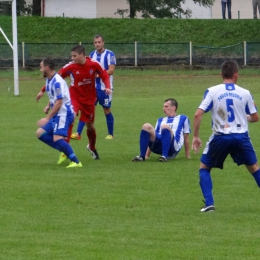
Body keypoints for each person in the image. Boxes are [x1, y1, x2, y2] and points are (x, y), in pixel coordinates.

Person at [192, 60, 260, 213]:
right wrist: (243, 117)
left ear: (221, 74)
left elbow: (198, 114)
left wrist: (196, 136)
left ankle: (209, 203)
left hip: (220, 137)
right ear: (236, 75)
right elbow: (255, 117)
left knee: (204, 167)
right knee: (254, 168)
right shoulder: (245, 93)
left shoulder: (212, 91)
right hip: (241, 137)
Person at [36, 45, 112, 161]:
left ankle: (92, 147)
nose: (72, 58)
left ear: (82, 55)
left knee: (90, 127)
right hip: (74, 97)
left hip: (89, 99)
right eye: (72, 56)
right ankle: (65, 151)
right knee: (71, 118)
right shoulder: (71, 66)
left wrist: (107, 87)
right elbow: (55, 77)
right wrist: (42, 90)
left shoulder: (94, 64)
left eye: (74, 56)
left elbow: (104, 75)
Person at [36, 58, 82, 168]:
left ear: (47, 68)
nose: (40, 70)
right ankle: (64, 150)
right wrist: (48, 105)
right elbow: (54, 98)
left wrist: (47, 118)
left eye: (41, 67)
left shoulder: (57, 82)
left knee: (57, 138)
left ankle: (76, 162)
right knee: (40, 133)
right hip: (58, 113)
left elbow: (59, 102)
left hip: (63, 114)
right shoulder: (49, 79)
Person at [71, 34, 116, 140]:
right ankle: (78, 133)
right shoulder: (92, 55)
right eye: (95, 42)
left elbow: (111, 70)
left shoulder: (110, 54)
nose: (97, 44)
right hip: (93, 88)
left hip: (105, 88)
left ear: (103, 42)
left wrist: (97, 74)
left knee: (107, 110)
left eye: (99, 42)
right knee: (86, 109)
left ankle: (111, 134)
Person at [132, 98, 191, 162]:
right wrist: (147, 155)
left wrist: (187, 155)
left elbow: (186, 137)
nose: (163, 108)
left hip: (173, 147)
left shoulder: (183, 118)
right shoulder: (160, 120)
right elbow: (154, 135)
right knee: (146, 126)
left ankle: (164, 156)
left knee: (164, 126)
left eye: (166, 106)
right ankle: (142, 156)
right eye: (163, 107)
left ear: (173, 108)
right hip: (159, 145)